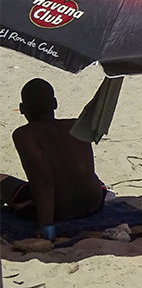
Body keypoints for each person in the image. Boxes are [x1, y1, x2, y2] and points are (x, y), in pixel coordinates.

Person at [1, 79, 107, 241]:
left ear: (22, 109)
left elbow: (43, 182)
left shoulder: (25, 135)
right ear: (55, 104)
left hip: (59, 211)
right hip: (95, 203)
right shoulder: (76, 125)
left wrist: (47, 227)